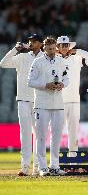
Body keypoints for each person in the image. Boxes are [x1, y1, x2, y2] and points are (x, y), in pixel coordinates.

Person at [0, 34, 43, 176]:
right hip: (23, 99)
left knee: (39, 135)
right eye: (30, 41)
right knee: (25, 134)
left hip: (40, 100)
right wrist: (14, 49)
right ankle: (25, 167)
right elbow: (3, 63)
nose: (31, 43)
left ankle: (38, 166)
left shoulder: (45, 58)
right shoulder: (22, 57)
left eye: (34, 41)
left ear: (40, 44)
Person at [28, 37, 68, 176]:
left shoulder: (61, 61)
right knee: (41, 136)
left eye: (53, 48)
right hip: (42, 104)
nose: (51, 51)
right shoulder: (37, 62)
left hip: (58, 104)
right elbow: (30, 82)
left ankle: (55, 166)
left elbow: (66, 77)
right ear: (44, 48)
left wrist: (63, 84)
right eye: (49, 49)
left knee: (56, 136)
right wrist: (46, 85)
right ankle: (42, 167)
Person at [56, 36, 88, 157]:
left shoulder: (76, 58)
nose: (65, 48)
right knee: (57, 132)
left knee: (73, 132)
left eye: (67, 45)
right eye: (62, 45)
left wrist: (78, 51)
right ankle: (55, 160)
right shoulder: (54, 59)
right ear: (58, 47)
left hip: (74, 101)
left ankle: (73, 158)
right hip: (58, 101)